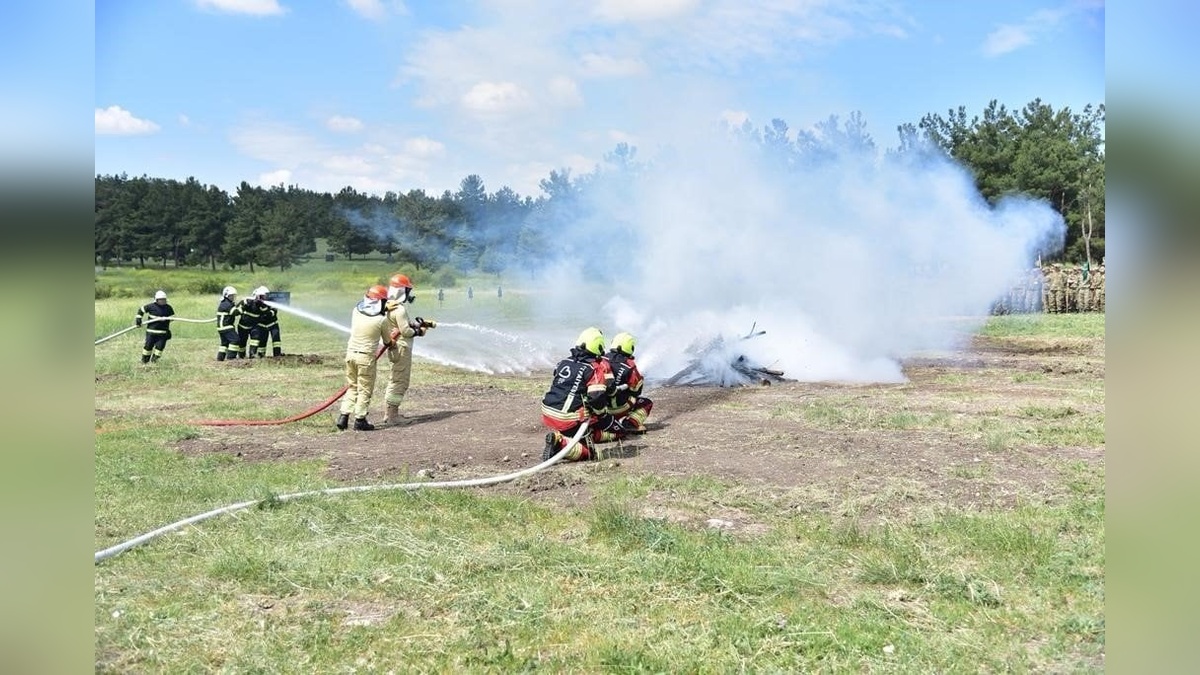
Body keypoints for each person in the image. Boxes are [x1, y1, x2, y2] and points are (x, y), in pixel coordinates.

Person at [540, 327, 623, 462]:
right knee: (589, 453)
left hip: (548, 411)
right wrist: (603, 415)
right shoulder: (593, 369)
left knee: (587, 427)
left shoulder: (563, 362)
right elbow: (596, 397)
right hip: (567, 418)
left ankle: (567, 436)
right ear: (598, 347)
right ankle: (560, 443)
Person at [337, 285, 397, 432]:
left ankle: (343, 417)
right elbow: (388, 342)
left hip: (350, 355)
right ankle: (360, 419)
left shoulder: (356, 311)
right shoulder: (381, 320)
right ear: (380, 302)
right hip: (365, 359)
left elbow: (368, 309)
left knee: (352, 387)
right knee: (364, 389)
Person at [382, 273, 436, 425]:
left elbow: (401, 326)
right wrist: (419, 332)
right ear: (401, 291)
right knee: (400, 381)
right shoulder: (399, 309)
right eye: (407, 291)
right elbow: (405, 331)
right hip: (402, 348)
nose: (408, 294)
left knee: (395, 379)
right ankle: (393, 417)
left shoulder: (388, 306)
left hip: (395, 348)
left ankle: (390, 413)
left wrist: (416, 325)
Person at [603, 332, 653, 434]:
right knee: (646, 403)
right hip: (619, 408)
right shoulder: (629, 365)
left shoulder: (601, 359)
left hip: (601, 409)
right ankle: (631, 424)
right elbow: (636, 391)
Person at [135, 290, 175, 363]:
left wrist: (166, 319)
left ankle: (154, 361)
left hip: (163, 333)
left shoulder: (168, 308)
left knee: (159, 348)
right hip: (151, 333)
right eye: (160, 300)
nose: (162, 301)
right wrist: (138, 319)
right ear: (156, 300)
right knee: (148, 347)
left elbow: (172, 317)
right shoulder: (150, 306)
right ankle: (144, 361)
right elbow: (141, 310)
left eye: (164, 299)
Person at [230, 286, 266, 359]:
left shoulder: (262, 304)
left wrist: (262, 305)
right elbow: (235, 310)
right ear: (256, 296)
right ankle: (241, 355)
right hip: (243, 326)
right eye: (261, 296)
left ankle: (252, 355)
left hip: (254, 326)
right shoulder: (246, 301)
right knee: (242, 342)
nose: (262, 298)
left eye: (263, 296)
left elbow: (265, 311)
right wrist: (245, 305)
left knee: (255, 339)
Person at [250, 286, 284, 357]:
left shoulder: (272, 301)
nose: (265, 297)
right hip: (262, 325)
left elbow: (273, 311)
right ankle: (261, 355)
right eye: (263, 296)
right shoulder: (256, 303)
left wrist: (267, 312)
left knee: (276, 340)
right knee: (262, 341)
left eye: (266, 295)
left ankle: (277, 355)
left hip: (273, 324)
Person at [216, 286, 239, 361]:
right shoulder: (226, 304)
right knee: (235, 340)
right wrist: (243, 305)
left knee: (224, 343)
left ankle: (220, 358)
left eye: (233, 296)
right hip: (226, 326)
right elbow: (235, 312)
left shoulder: (226, 303)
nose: (233, 297)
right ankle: (231, 358)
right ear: (226, 295)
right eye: (231, 296)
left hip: (222, 327)